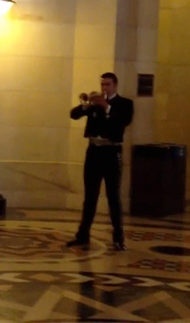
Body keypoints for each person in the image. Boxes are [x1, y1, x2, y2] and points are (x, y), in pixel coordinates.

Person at [66, 72, 134, 251]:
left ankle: (118, 237)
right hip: (94, 152)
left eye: (108, 85)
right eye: (103, 84)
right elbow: (73, 115)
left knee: (113, 196)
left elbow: (122, 122)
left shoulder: (125, 104)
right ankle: (83, 235)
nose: (104, 88)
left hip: (112, 152)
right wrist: (86, 104)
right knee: (90, 196)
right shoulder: (94, 105)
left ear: (115, 86)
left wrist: (107, 107)